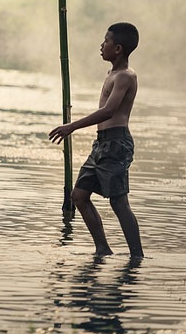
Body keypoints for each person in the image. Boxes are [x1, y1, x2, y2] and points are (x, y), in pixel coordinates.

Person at [49, 22, 143, 258]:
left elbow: (109, 111)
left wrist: (72, 126)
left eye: (106, 41)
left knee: (119, 203)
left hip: (116, 144)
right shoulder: (111, 73)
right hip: (101, 144)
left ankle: (137, 256)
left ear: (118, 48)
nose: (102, 45)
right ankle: (103, 248)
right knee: (79, 196)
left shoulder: (125, 77)